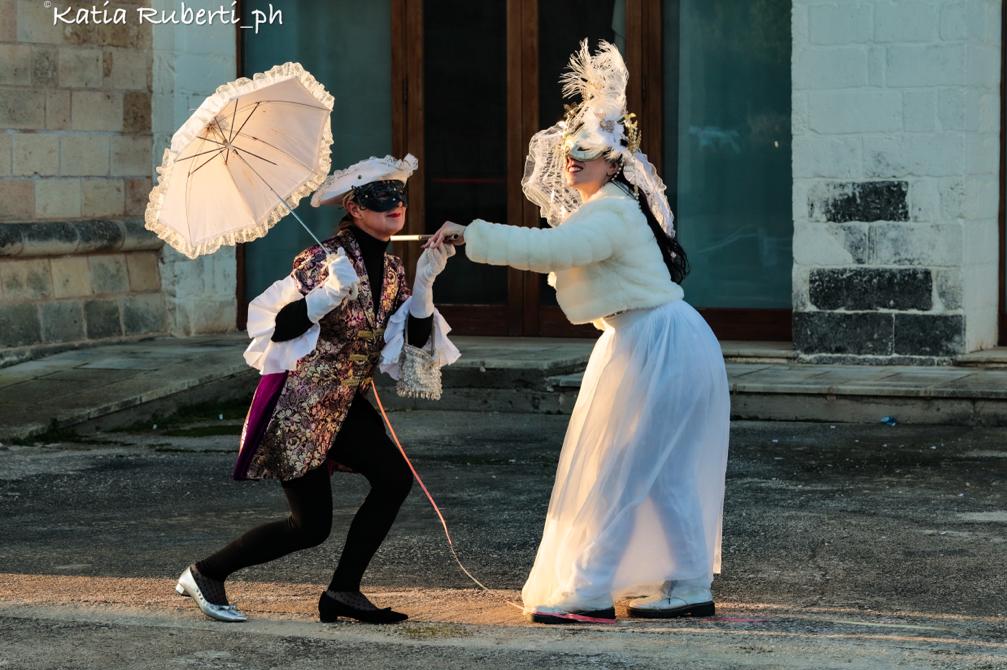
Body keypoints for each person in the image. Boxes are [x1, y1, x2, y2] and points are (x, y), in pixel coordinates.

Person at [427, 41, 730, 625]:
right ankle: (689, 583)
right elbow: (564, 252)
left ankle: (589, 591)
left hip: (658, 343)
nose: (572, 159)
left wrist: (473, 234)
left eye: (587, 150)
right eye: (569, 150)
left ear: (616, 159)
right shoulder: (605, 208)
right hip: (648, 341)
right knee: (654, 469)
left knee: (621, 468)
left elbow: (555, 248)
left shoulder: (612, 210)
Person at [177, 154, 459, 624]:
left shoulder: (391, 272)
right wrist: (323, 295)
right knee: (310, 528)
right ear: (353, 206)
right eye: (378, 197)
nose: (394, 205)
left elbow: (408, 343)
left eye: (399, 197)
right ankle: (205, 573)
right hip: (300, 405)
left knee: (393, 479)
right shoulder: (318, 260)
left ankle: (344, 591)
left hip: (346, 403)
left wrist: (426, 283)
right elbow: (274, 331)